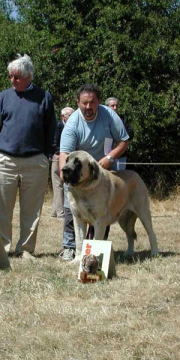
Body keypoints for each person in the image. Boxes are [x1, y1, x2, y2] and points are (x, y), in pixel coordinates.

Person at [0, 55, 56, 268]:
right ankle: (0, 249)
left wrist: (46, 156)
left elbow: (51, 130)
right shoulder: (3, 97)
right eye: (10, 76)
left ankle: (25, 249)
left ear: (28, 76)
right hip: (4, 160)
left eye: (16, 77)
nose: (12, 80)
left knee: (32, 210)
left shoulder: (44, 97)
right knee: (1, 208)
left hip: (35, 162)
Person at [58, 84, 129, 261]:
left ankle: (97, 249)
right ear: (78, 102)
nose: (88, 107)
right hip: (78, 170)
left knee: (102, 211)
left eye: (92, 102)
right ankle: (70, 247)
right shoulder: (73, 122)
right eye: (84, 103)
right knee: (71, 208)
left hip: (103, 170)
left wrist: (110, 158)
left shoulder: (110, 116)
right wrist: (63, 174)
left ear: (98, 102)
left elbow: (123, 141)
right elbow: (65, 153)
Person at [50, 107, 74, 218]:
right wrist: (61, 153)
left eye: (72, 114)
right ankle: (60, 212)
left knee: (63, 184)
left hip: (68, 158)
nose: (71, 116)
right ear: (63, 116)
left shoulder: (73, 126)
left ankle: (55, 211)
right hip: (58, 157)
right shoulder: (58, 126)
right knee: (58, 184)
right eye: (69, 115)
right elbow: (53, 142)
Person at [105, 97, 134, 170]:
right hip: (104, 155)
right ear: (107, 107)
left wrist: (120, 140)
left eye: (116, 105)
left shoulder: (123, 118)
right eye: (112, 105)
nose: (115, 108)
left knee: (120, 178)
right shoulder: (102, 119)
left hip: (120, 155)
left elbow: (130, 133)